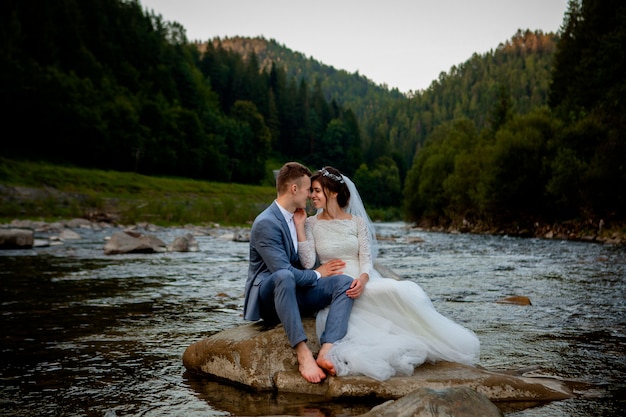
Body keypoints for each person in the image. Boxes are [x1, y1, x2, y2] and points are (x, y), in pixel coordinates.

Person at [295, 166, 480, 381]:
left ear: (333, 193)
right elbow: (308, 262)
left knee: (399, 288)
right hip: (336, 286)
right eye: (312, 191)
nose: (312, 196)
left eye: (317, 191)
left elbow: (366, 259)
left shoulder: (357, 222)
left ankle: (436, 339)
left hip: (363, 281)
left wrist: (363, 279)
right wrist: (300, 227)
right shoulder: (310, 223)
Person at [244, 162, 355, 383]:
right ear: (294, 189)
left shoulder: (299, 218)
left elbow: (307, 262)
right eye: (307, 190)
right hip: (271, 296)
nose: (310, 196)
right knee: (285, 276)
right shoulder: (265, 223)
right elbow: (284, 271)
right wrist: (318, 274)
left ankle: (326, 350)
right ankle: (303, 353)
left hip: (297, 291)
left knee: (345, 282)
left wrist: (301, 229)